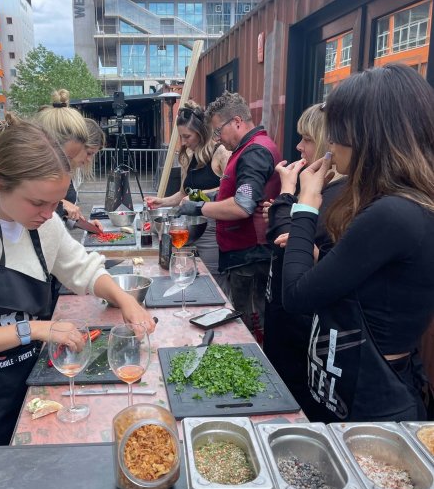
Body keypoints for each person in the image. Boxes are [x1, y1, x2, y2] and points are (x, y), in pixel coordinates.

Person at [0, 113, 156, 447]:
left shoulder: (45, 223)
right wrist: (34, 329)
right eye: (38, 202)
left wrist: (125, 301)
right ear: (0, 182)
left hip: (35, 388)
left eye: (55, 203)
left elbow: (83, 268)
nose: (48, 213)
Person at [282, 64, 434, 422]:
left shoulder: (394, 212)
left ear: (368, 135)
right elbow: (376, 289)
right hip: (345, 393)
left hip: (372, 408)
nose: (330, 144)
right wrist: (321, 257)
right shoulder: (390, 204)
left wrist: (305, 204)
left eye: (336, 132)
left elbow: (296, 295)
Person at [178, 91, 281, 340]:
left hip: (250, 258)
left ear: (237, 121)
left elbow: (242, 205)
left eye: (218, 130)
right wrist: (199, 198)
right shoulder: (246, 148)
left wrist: (199, 208)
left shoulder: (254, 152)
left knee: (248, 328)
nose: (217, 138)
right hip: (244, 255)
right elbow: (231, 194)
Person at [263, 104, 344, 414]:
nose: (298, 146)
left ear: (327, 143)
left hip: (302, 335)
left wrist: (285, 194)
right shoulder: (319, 188)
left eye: (306, 138)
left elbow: (286, 237)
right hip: (285, 324)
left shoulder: (336, 198)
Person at [145, 100, 230, 286]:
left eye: (187, 136)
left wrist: (196, 196)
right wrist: (162, 201)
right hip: (189, 230)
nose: (183, 142)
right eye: (181, 137)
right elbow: (183, 193)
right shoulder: (190, 156)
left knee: (211, 284)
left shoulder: (221, 153)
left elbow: (228, 191)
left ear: (201, 132)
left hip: (212, 232)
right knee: (189, 281)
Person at [36, 89, 105, 229]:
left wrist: (84, 224)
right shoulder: (33, 172)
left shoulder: (66, 172)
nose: (89, 160)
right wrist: (60, 204)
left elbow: (59, 219)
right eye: (89, 153)